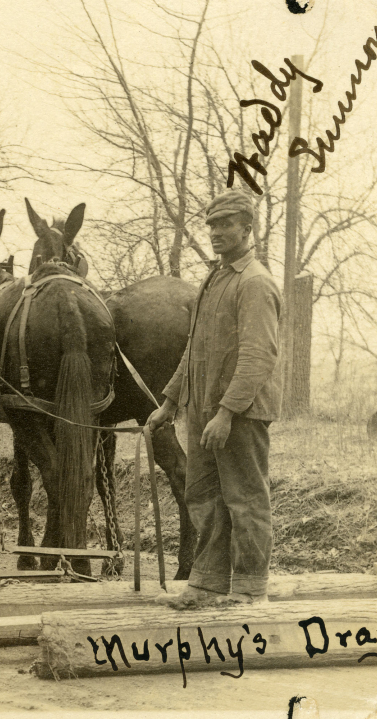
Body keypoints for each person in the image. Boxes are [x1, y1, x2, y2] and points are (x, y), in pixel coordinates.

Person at [148, 188, 283, 609]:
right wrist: (170, 403)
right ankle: (206, 584)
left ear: (248, 228)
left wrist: (227, 412)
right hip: (202, 410)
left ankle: (248, 590)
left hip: (239, 415)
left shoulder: (255, 282)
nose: (217, 233)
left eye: (226, 225)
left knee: (245, 500)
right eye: (212, 225)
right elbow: (194, 348)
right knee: (204, 496)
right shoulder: (215, 277)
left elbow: (259, 355)